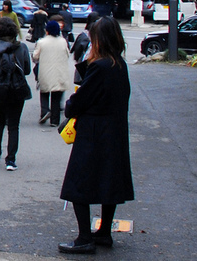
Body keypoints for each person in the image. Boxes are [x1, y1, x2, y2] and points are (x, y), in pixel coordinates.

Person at [58, 17, 135, 254]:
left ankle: (84, 238)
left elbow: (80, 101)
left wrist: (70, 106)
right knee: (108, 181)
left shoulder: (99, 67)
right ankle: (103, 233)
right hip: (114, 131)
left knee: (78, 183)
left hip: (93, 132)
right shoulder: (119, 64)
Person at [0, 17, 31, 171]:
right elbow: (27, 70)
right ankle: (11, 160)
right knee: (13, 125)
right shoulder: (22, 47)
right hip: (17, 90)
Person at [32, 19, 70, 126]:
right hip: (59, 72)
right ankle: (55, 120)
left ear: (47, 30)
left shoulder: (42, 42)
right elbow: (67, 54)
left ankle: (45, 111)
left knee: (44, 92)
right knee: (56, 96)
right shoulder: (63, 41)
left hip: (45, 71)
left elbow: (35, 56)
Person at [71, 13, 98, 86]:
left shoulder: (84, 34)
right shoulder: (100, 33)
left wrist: (77, 60)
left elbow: (77, 51)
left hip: (84, 64)